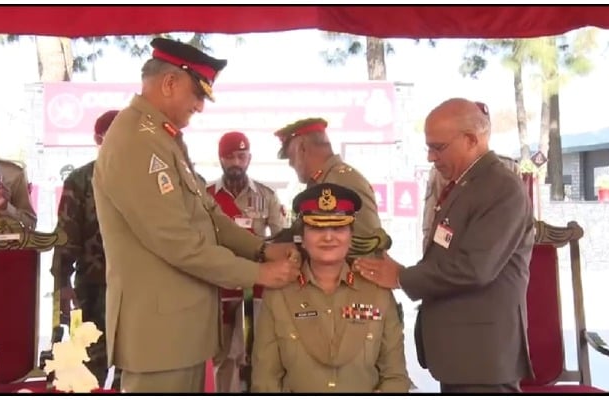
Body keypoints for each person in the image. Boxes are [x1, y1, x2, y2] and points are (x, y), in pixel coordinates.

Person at [91, 37, 301, 393]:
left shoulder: (163, 137)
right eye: (198, 94)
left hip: (178, 330)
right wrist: (259, 273)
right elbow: (179, 242)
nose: (200, 107)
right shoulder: (136, 141)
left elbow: (209, 215)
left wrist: (261, 249)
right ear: (169, 83)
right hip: (159, 338)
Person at [354, 98, 535, 393]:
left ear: (471, 140)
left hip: (482, 357)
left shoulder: (500, 187)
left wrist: (402, 277)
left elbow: (475, 268)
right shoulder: (467, 183)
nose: (430, 157)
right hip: (461, 352)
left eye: (438, 147)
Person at [251, 183, 411, 393]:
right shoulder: (279, 294)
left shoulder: (377, 292)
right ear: (303, 238)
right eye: (317, 228)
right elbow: (265, 381)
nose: (328, 237)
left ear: (351, 235)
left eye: (338, 227)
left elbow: (396, 377)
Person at [206, 131, 286, 393]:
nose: (236, 163)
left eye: (241, 156)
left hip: (256, 290)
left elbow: (280, 240)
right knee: (222, 356)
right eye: (230, 157)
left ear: (249, 158)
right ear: (220, 159)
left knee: (258, 356)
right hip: (219, 291)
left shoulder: (266, 196)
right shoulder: (206, 197)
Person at [50, 110, 119, 388]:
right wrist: (61, 283)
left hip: (136, 292)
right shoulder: (80, 180)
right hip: (90, 290)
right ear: (98, 138)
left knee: (135, 371)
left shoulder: (144, 180)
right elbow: (66, 236)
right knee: (86, 369)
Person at [272, 117, 390, 255]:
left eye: (290, 157)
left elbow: (366, 247)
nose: (291, 164)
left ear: (302, 148)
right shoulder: (323, 180)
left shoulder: (343, 180)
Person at [422, 153, 520, 248]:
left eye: (439, 147)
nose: (430, 157)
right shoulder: (440, 172)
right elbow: (430, 226)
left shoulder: (508, 170)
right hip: (448, 249)